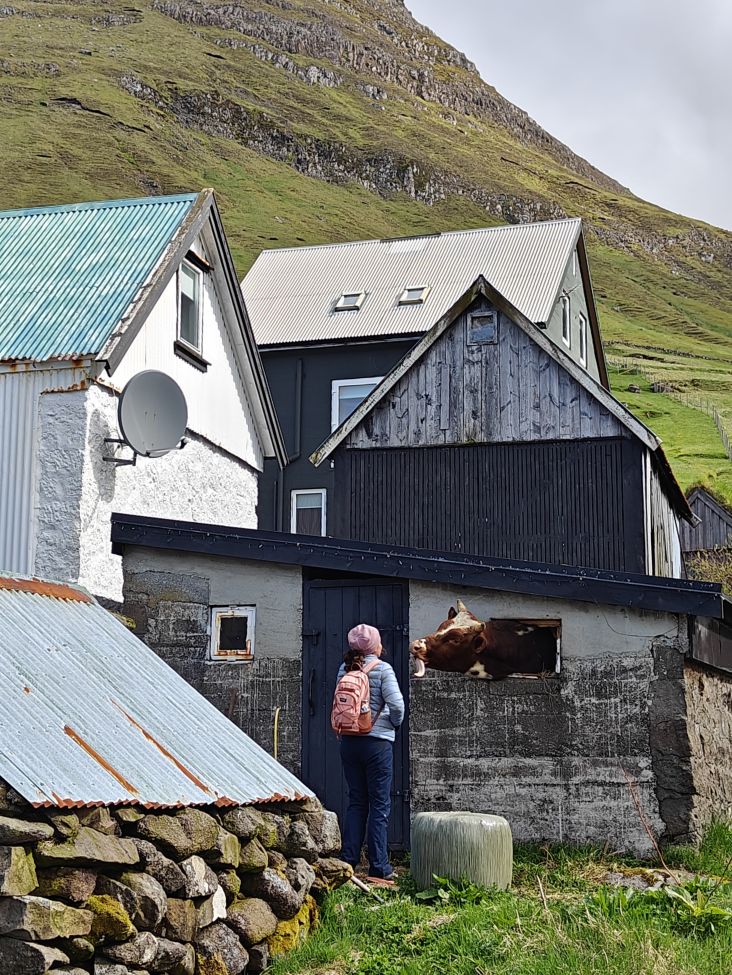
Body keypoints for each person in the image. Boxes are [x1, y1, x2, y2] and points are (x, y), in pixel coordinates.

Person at [337, 622, 405, 884]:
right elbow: (396, 705)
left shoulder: (345, 668)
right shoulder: (382, 669)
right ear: (376, 645)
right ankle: (379, 867)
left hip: (349, 741)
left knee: (356, 801)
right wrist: (392, 723)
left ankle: (348, 861)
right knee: (379, 805)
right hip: (377, 744)